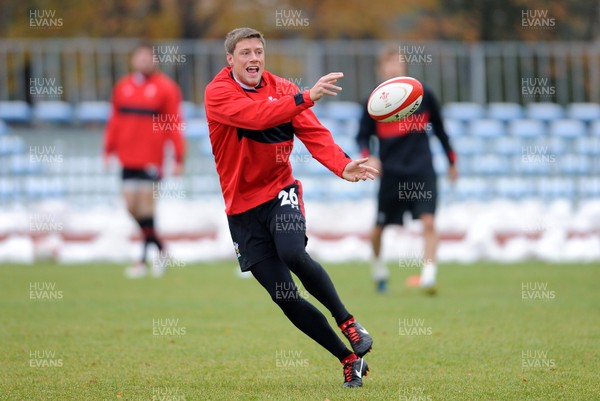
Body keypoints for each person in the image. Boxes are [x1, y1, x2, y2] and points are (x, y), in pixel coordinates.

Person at [204, 27, 378, 388]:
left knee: (293, 252)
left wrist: (342, 164)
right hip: (242, 210)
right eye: (245, 53)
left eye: (258, 52)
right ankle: (348, 359)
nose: (253, 59)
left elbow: (314, 134)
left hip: (279, 192)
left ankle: (348, 321)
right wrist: (306, 96)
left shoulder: (284, 89)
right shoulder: (218, 92)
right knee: (285, 296)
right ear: (230, 60)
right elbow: (256, 117)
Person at [357, 45, 458, 294]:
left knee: (429, 222)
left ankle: (429, 276)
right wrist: (368, 158)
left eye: (399, 63)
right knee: (379, 228)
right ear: (381, 69)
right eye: (389, 64)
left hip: (422, 169)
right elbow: (362, 138)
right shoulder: (373, 103)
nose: (394, 68)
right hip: (391, 173)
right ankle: (379, 269)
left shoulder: (424, 96)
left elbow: (442, 131)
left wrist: (452, 162)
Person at [104, 42, 185, 279]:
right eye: (139, 57)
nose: (143, 61)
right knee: (131, 206)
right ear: (133, 59)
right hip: (127, 156)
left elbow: (174, 123)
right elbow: (114, 121)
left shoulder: (166, 88)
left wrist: (179, 156)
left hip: (152, 158)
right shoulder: (123, 87)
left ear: (154, 60)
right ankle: (161, 249)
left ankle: (141, 261)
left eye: (147, 57)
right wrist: (109, 150)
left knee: (147, 208)